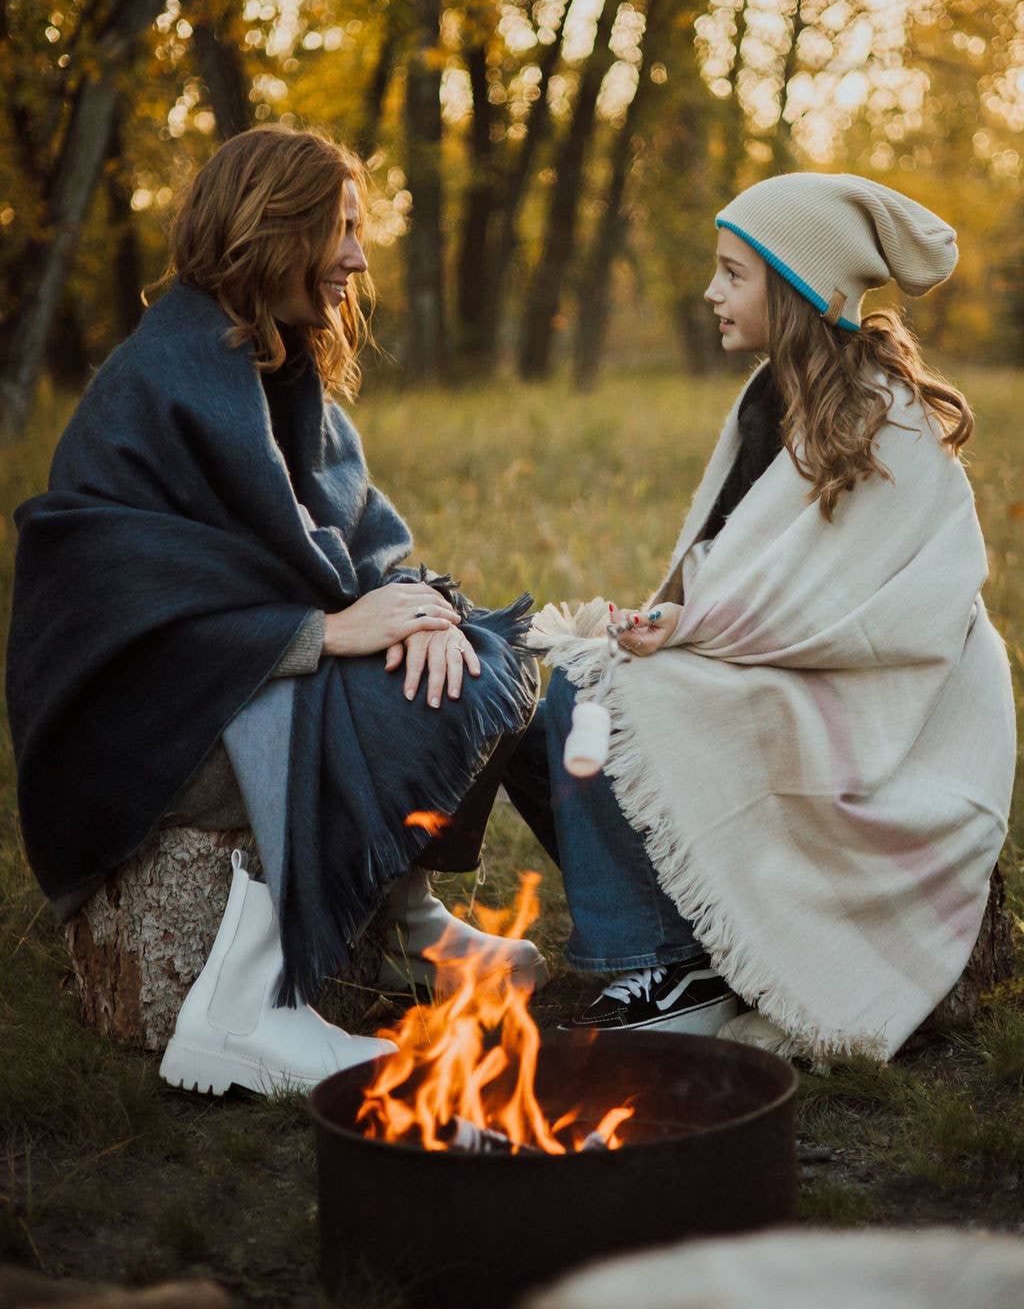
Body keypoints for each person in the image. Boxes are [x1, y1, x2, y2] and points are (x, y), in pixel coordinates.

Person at [6, 125, 544, 1097]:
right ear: (269, 230)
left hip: (236, 689)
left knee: (482, 655)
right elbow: (106, 595)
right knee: (397, 693)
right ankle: (246, 1010)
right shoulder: (159, 383)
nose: (357, 256)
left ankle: (404, 910)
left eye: (357, 230)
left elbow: (360, 545)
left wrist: (420, 607)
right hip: (147, 728)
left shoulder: (283, 373)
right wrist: (320, 633)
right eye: (337, 229)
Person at [519, 172, 1016, 1062]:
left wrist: (693, 629)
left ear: (795, 288)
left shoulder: (884, 413)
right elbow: (733, 557)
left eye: (733, 274)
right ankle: (681, 941)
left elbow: (852, 600)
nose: (711, 291)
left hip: (892, 697)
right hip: (777, 661)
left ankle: (673, 968)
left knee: (598, 701)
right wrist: (670, 617)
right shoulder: (765, 399)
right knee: (548, 701)